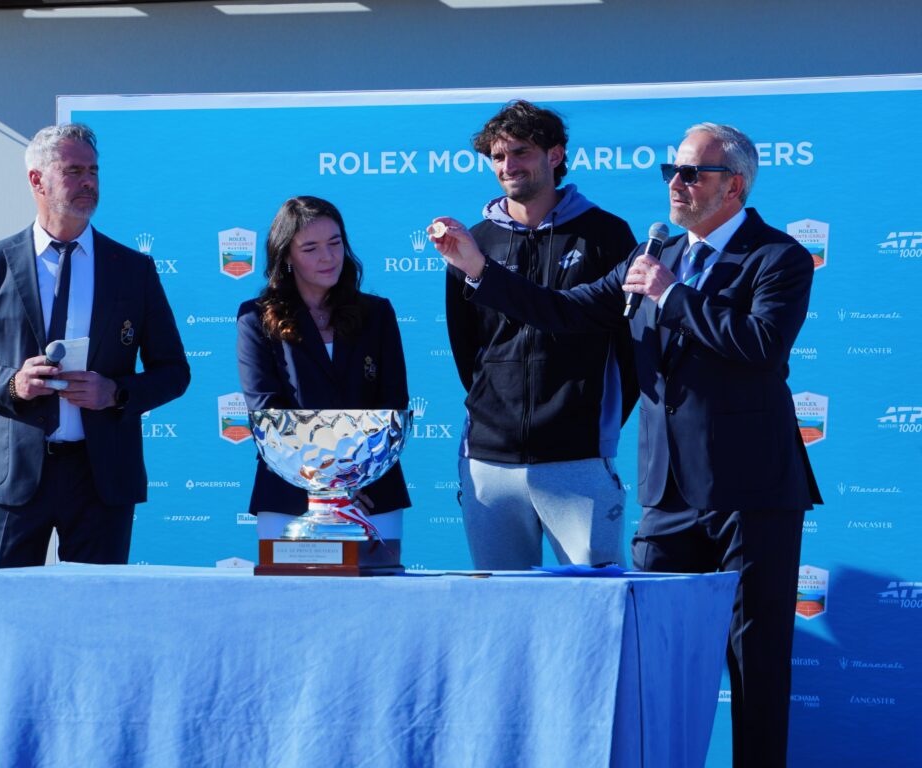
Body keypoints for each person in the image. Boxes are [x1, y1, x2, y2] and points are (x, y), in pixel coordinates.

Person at [433, 122, 821, 767]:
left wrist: (673, 297)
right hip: (667, 492)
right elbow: (564, 312)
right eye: (672, 169)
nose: (676, 181)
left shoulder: (774, 256)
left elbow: (760, 347)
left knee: (755, 664)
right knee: (651, 655)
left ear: (736, 185)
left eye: (693, 172)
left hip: (750, 490)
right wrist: (477, 270)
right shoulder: (655, 254)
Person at [0, 124, 190, 569]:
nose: (89, 182)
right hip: (11, 476)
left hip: (101, 478)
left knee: (96, 623)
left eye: (93, 170)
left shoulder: (133, 270)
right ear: (37, 179)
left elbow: (173, 371)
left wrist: (114, 392)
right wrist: (13, 383)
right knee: (2, 614)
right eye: (74, 170)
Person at [445, 100, 637, 570]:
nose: (508, 166)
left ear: (555, 154)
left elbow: (630, 348)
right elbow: (467, 348)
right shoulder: (475, 241)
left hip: (578, 459)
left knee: (595, 607)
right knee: (499, 609)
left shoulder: (606, 235)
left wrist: (586, 420)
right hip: (488, 462)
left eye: (521, 152)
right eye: (497, 157)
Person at [237, 196, 410, 539]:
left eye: (335, 243)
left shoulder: (377, 313)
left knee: (381, 592)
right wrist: (326, 488)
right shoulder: (255, 317)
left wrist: (353, 480)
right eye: (311, 248)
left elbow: (393, 404)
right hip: (288, 493)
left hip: (372, 494)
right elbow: (266, 409)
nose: (328, 257)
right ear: (286, 255)